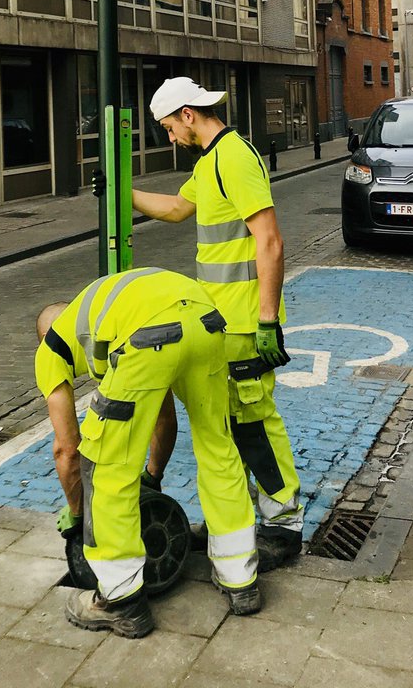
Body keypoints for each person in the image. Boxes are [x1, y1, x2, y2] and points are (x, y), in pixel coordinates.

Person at [131, 76, 304, 570]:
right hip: (223, 327)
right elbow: (179, 208)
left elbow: (269, 241)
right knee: (229, 426)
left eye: (168, 127)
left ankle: (282, 526)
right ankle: (240, 516)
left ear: (188, 115)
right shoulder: (210, 162)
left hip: (248, 324)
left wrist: (268, 321)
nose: (169, 138)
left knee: (253, 424)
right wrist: (124, 194)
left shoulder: (232, 157)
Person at [35, 266, 259, 640]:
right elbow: (163, 418)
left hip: (151, 336)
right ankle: (241, 580)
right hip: (206, 319)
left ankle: (120, 602)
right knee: (218, 444)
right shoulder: (107, 312)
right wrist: (153, 477)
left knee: (106, 465)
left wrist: (78, 513)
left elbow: (67, 450)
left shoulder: (50, 350)